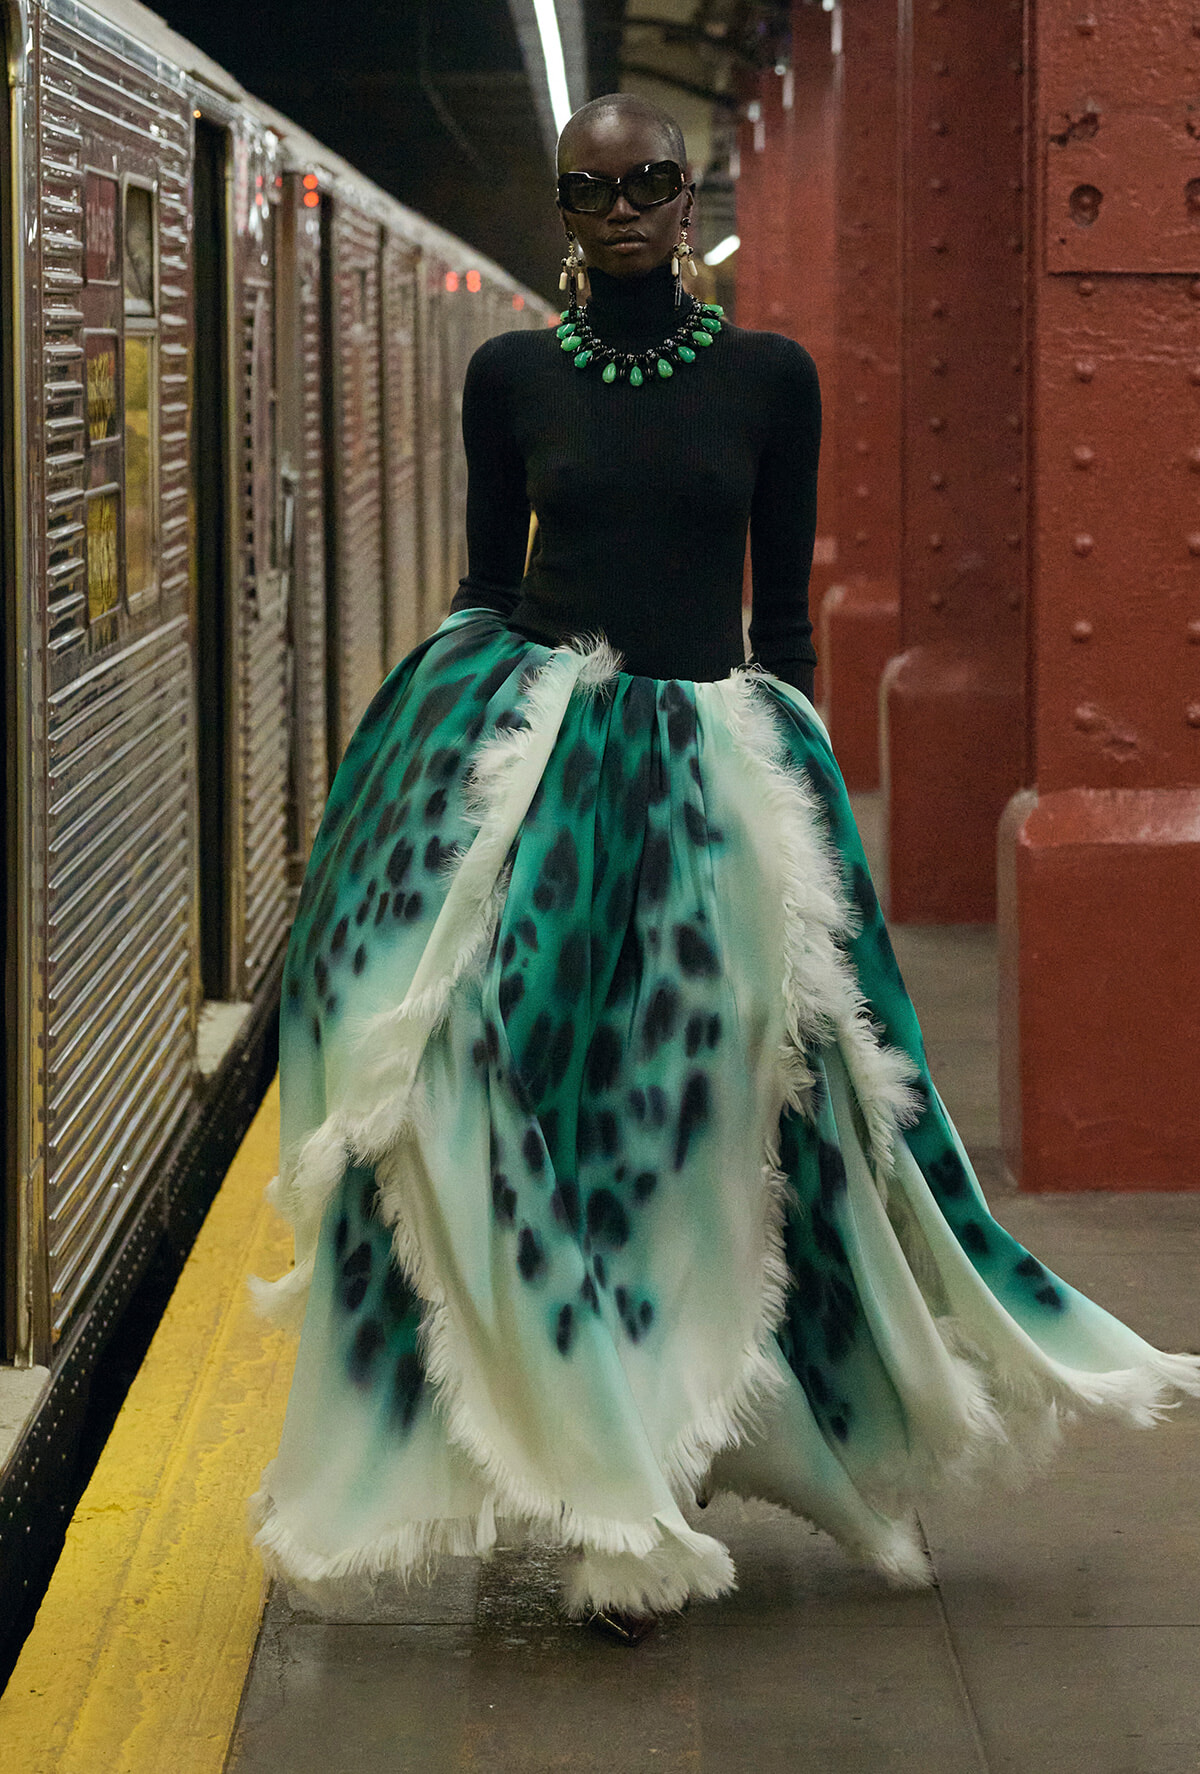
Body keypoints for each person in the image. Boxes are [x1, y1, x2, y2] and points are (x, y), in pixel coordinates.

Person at [251, 94, 1200, 1646]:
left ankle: (686, 1448)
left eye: (647, 182)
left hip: (709, 789)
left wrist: (807, 796)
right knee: (507, 1095)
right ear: (566, 212)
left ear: (686, 202)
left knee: (717, 1124)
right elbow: (494, 581)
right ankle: (591, 1473)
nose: (621, 207)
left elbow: (783, 627)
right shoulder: (512, 377)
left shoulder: (773, 379)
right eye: (591, 187)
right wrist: (420, 762)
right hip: (544, 772)